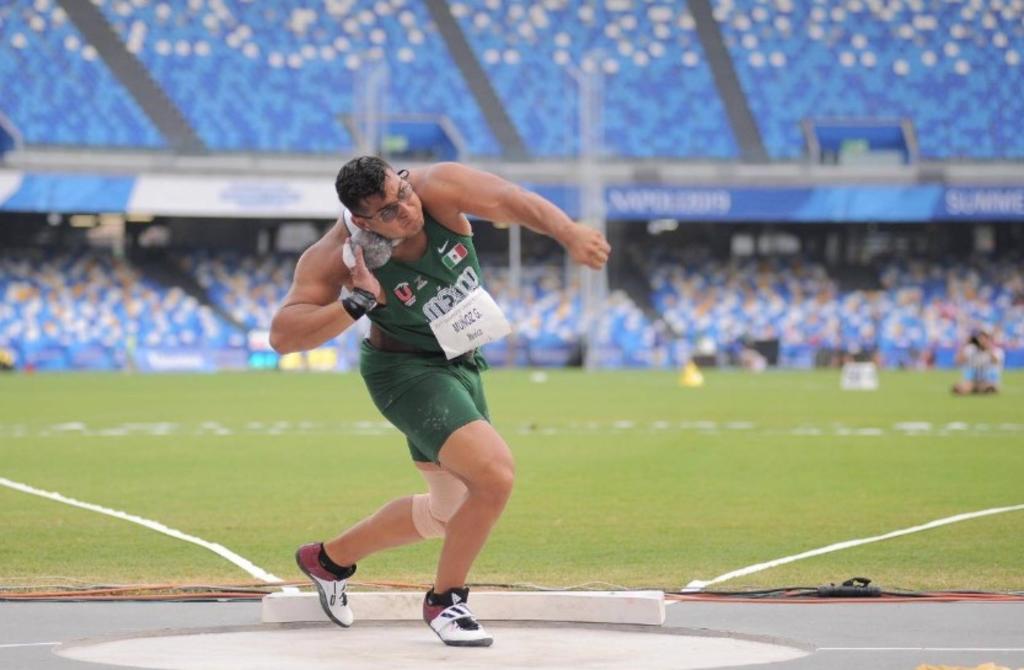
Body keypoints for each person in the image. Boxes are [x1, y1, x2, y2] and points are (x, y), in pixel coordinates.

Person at [269, 156, 610, 646]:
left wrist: (568, 232)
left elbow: (509, 198)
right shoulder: (335, 256)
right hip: (406, 372)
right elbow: (283, 336)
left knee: (448, 513)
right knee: (494, 477)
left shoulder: (437, 187)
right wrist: (353, 304)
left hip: (462, 359)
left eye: (402, 193)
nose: (405, 209)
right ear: (362, 222)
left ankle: (326, 561)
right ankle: (446, 601)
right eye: (387, 211)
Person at [952, 329, 1004, 395]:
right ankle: (976, 389)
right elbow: (958, 361)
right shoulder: (971, 350)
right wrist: (965, 344)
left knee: (990, 387)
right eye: (980, 339)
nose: (982, 341)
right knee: (958, 388)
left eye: (985, 339)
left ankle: (982, 389)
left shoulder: (996, 351)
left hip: (989, 380)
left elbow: (996, 362)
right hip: (973, 380)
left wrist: (988, 349)